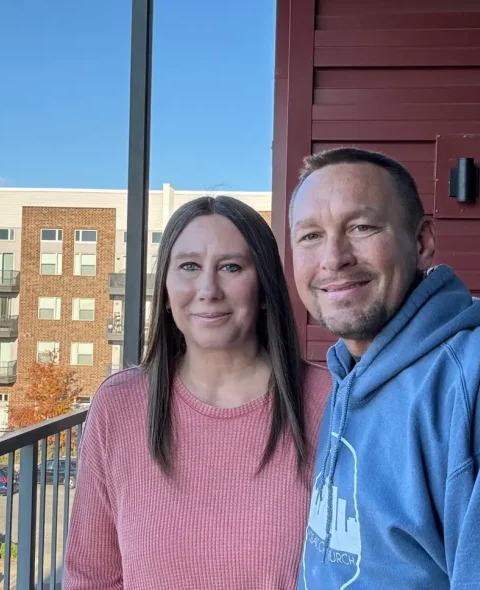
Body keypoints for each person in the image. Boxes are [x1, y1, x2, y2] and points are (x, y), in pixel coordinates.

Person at [289, 147, 480, 589]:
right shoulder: (344, 377)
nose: (333, 257)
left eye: (361, 227)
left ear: (421, 243)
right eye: (310, 236)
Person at [63, 195, 332, 589]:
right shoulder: (119, 405)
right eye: (189, 266)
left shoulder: (329, 400)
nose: (208, 289)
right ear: (167, 291)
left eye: (231, 267)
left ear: (263, 287)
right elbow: (90, 577)